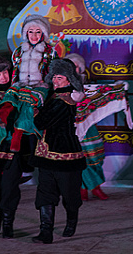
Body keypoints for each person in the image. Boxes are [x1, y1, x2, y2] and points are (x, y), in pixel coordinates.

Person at [30, 59, 87, 244]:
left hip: (65, 153)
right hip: (46, 153)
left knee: (69, 193)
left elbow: (41, 122)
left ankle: (71, 221)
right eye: (54, 77)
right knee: (45, 192)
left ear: (69, 80)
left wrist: (34, 111)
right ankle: (45, 231)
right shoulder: (52, 97)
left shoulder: (64, 101)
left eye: (60, 78)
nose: (55, 81)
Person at [0, 56, 32, 239]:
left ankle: (8, 223)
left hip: (15, 146)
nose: (3, 77)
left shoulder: (20, 94)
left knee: (9, 186)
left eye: (5, 73)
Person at [0, 14, 58, 151]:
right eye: (30, 32)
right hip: (22, 84)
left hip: (41, 86)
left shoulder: (49, 52)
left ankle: (17, 136)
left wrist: (48, 86)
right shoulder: (19, 51)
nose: (34, 36)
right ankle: (2, 118)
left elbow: (53, 72)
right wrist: (14, 85)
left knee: (28, 102)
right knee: (10, 95)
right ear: (26, 33)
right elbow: (15, 72)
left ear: (43, 33)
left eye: (38, 32)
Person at [65, 53, 109, 201]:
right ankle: (84, 188)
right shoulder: (61, 85)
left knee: (94, 156)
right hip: (71, 126)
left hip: (88, 125)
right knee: (79, 157)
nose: (74, 69)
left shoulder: (88, 85)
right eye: (71, 66)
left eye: (76, 66)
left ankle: (94, 187)